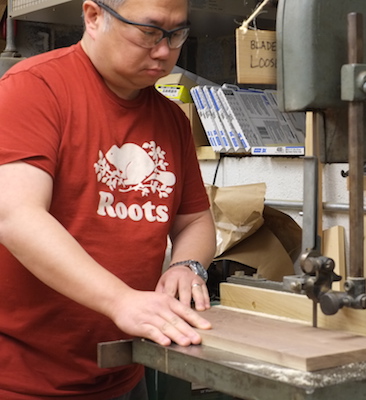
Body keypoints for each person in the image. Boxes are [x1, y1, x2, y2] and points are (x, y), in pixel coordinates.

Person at [0, 0, 216, 398]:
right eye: (149, 32)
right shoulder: (34, 87)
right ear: (94, 17)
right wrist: (121, 301)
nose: (164, 51)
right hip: (25, 380)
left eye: (177, 34)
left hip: (122, 372)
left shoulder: (170, 118)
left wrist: (188, 266)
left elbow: (195, 221)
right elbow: (16, 215)